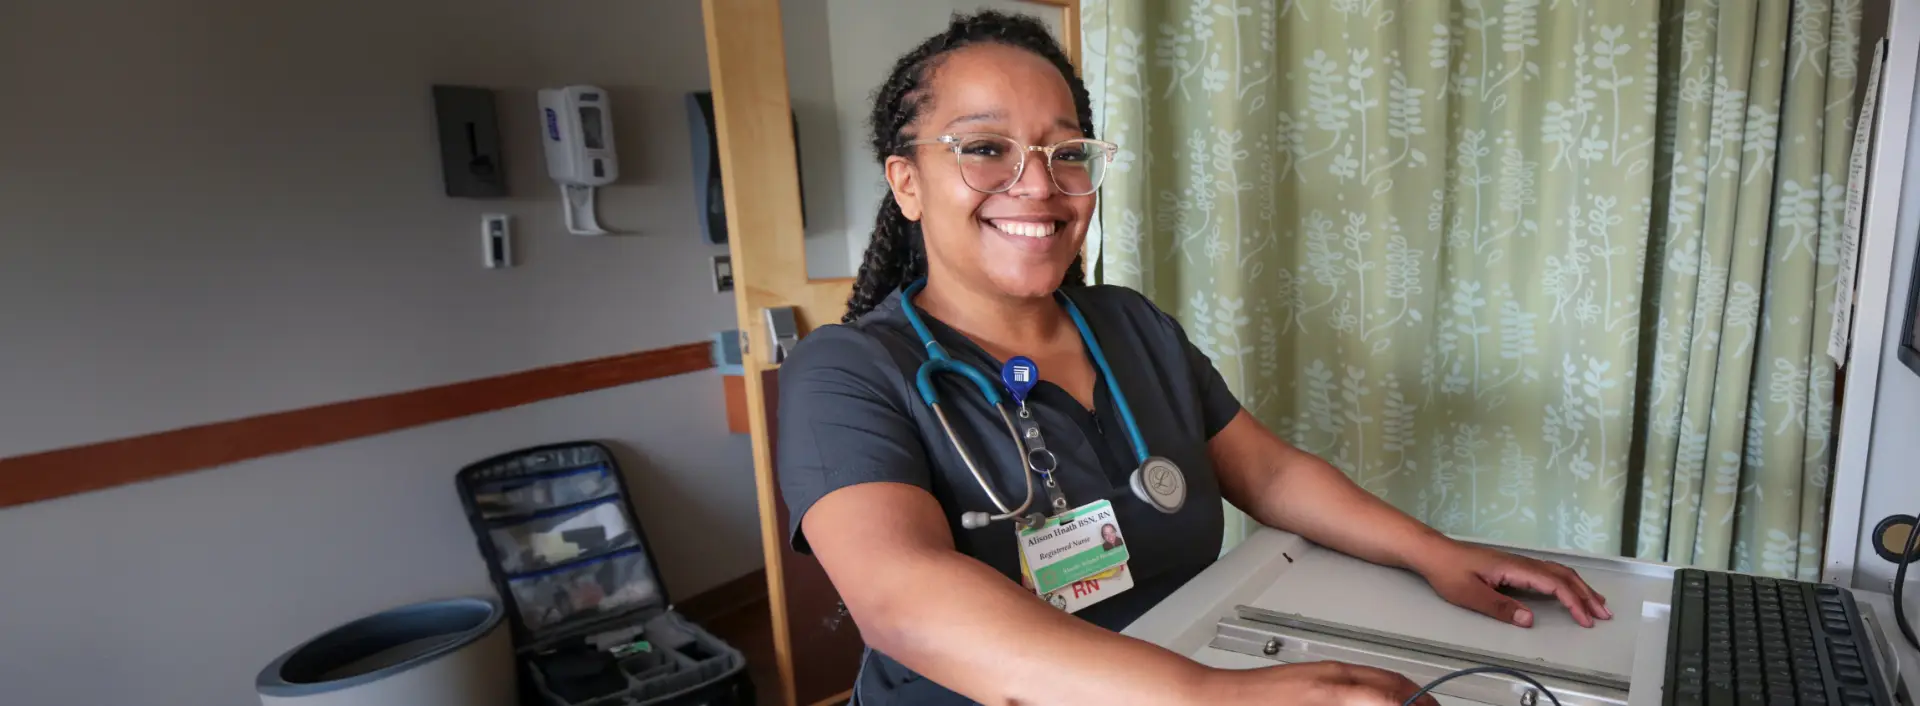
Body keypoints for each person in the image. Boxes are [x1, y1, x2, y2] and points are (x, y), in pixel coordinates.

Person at [773, 10, 1611, 706]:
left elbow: (1271, 475)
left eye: (1067, 153)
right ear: (907, 182)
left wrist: (1433, 550)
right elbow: (901, 600)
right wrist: (1220, 697)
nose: (1038, 184)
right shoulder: (848, 372)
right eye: (984, 148)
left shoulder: (1131, 325)